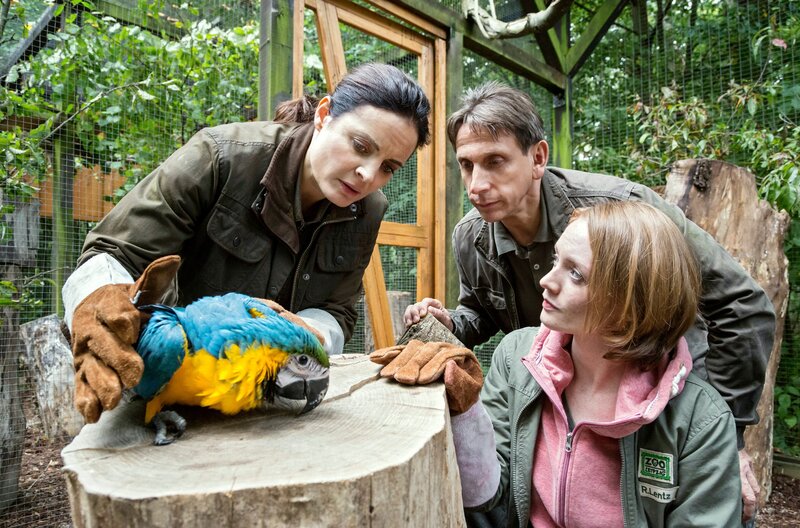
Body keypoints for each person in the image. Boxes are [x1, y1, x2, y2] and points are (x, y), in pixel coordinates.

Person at [402, 82, 772, 522]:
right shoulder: (471, 236)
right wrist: (451, 323)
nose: (477, 184)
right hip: (558, 414)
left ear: (538, 157)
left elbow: (742, 304)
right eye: (466, 165)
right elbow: (480, 311)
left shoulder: (620, 214)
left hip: (659, 417)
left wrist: (723, 437)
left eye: (495, 162)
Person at [62, 62, 432, 424]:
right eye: (360, 145)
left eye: (388, 167)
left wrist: (309, 337)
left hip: (261, 403)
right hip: (160, 387)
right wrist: (97, 306)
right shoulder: (220, 156)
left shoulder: (368, 209)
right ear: (324, 115)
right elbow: (113, 251)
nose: (368, 175)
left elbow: (338, 309)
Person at [379, 201, 742, 526]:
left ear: (630, 301)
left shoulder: (700, 421)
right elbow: (489, 499)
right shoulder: (517, 359)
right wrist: (464, 411)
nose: (545, 281)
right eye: (556, 260)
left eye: (575, 273)